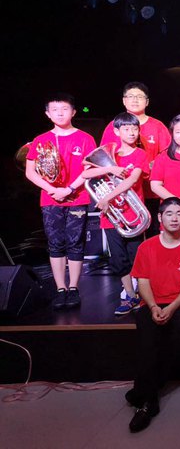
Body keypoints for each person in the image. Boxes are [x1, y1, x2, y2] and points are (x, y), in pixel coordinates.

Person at [126, 198, 180, 433]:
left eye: (179, 213)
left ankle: (142, 393)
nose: (174, 218)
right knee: (148, 341)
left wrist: (171, 308)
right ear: (160, 218)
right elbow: (143, 282)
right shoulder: (146, 247)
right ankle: (149, 401)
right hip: (152, 302)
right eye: (169, 214)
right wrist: (153, 307)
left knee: (177, 332)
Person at [25, 92, 96, 310]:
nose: (60, 113)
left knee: (75, 242)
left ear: (73, 112)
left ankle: (73, 288)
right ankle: (60, 289)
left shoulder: (85, 138)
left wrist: (69, 189)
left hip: (77, 197)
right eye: (54, 110)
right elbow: (30, 172)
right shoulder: (40, 140)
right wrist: (52, 189)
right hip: (50, 199)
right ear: (47, 114)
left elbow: (90, 169)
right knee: (55, 243)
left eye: (65, 109)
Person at [83, 112, 149, 316]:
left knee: (136, 257)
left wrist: (107, 198)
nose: (131, 132)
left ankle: (144, 296)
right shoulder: (111, 155)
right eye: (126, 129)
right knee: (119, 259)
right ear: (117, 131)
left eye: (135, 129)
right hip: (111, 217)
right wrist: (110, 169)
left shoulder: (140, 154)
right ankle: (129, 295)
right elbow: (85, 174)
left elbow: (132, 180)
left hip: (133, 215)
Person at [100, 82, 170, 234]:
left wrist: (155, 165)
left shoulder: (158, 126)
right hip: (123, 192)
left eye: (139, 96)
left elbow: (167, 154)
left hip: (151, 191)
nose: (135, 100)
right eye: (130, 96)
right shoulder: (113, 126)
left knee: (152, 233)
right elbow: (104, 157)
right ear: (124, 100)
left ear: (147, 101)